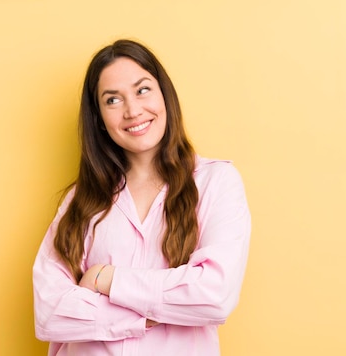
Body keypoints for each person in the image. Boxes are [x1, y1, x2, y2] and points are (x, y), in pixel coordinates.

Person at [33, 39, 251, 355]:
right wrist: (146, 313)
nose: (133, 110)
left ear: (165, 94)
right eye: (112, 100)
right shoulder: (80, 200)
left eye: (143, 90)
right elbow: (49, 312)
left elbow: (214, 295)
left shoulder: (216, 182)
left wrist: (106, 280)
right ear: (100, 120)